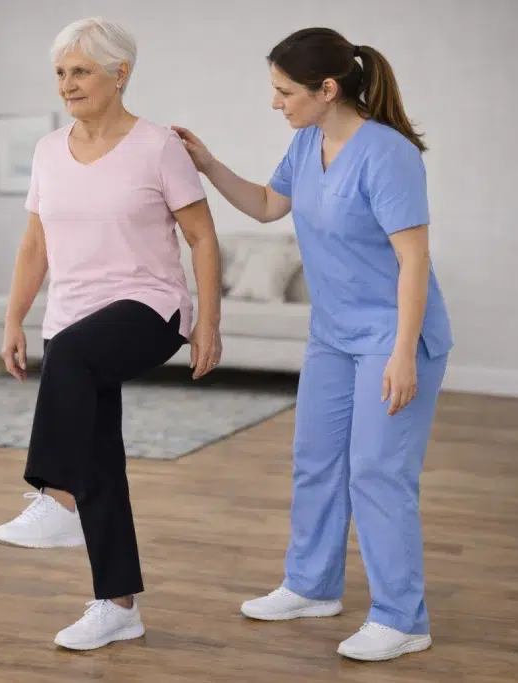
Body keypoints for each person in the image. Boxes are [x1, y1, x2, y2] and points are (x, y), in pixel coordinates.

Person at [173, 27, 452, 662]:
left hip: (392, 331)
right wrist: (209, 164)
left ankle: (402, 617)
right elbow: (270, 206)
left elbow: (414, 261)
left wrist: (404, 352)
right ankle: (311, 585)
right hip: (332, 334)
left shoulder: (389, 155)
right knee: (317, 460)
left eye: (284, 91)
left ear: (328, 90)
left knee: (379, 471)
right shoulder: (307, 142)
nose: (276, 102)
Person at [0, 17, 223, 651]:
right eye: (62, 73)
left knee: (74, 362)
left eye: (81, 71)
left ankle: (58, 497)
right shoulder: (47, 151)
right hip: (74, 320)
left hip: (150, 308)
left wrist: (209, 323)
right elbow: (35, 243)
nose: (68, 84)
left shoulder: (156, 147)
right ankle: (117, 604)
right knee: (100, 454)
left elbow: (201, 236)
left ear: (121, 74)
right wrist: (14, 318)